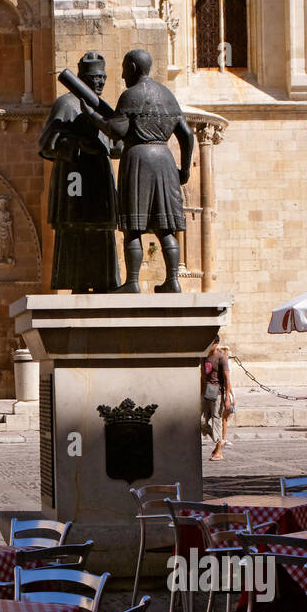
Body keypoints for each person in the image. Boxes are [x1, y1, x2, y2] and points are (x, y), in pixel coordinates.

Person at [86, 48, 194, 292]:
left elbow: (116, 130)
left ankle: (132, 282)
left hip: (139, 159)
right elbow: (187, 135)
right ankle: (173, 280)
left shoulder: (130, 96)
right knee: (166, 227)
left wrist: (92, 116)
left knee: (133, 227)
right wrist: (184, 169)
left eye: (124, 69)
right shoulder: (167, 95)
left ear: (133, 68)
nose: (123, 76)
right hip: (165, 160)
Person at [38, 51, 120, 291]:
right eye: (94, 77)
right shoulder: (65, 104)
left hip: (99, 175)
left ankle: (104, 282)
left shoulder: (102, 107)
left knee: (101, 228)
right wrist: (76, 144)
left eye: (103, 77)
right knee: (74, 227)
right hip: (74, 175)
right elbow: (46, 144)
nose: (100, 82)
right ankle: (79, 282)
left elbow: (117, 147)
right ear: (82, 77)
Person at [201, 340, 232, 461]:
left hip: (218, 392)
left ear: (217, 343)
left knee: (216, 419)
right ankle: (218, 440)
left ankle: (219, 449)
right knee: (201, 421)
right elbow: (203, 376)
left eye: (212, 342)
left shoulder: (221, 358)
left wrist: (228, 397)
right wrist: (201, 393)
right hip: (206, 392)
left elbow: (227, 379)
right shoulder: (203, 357)